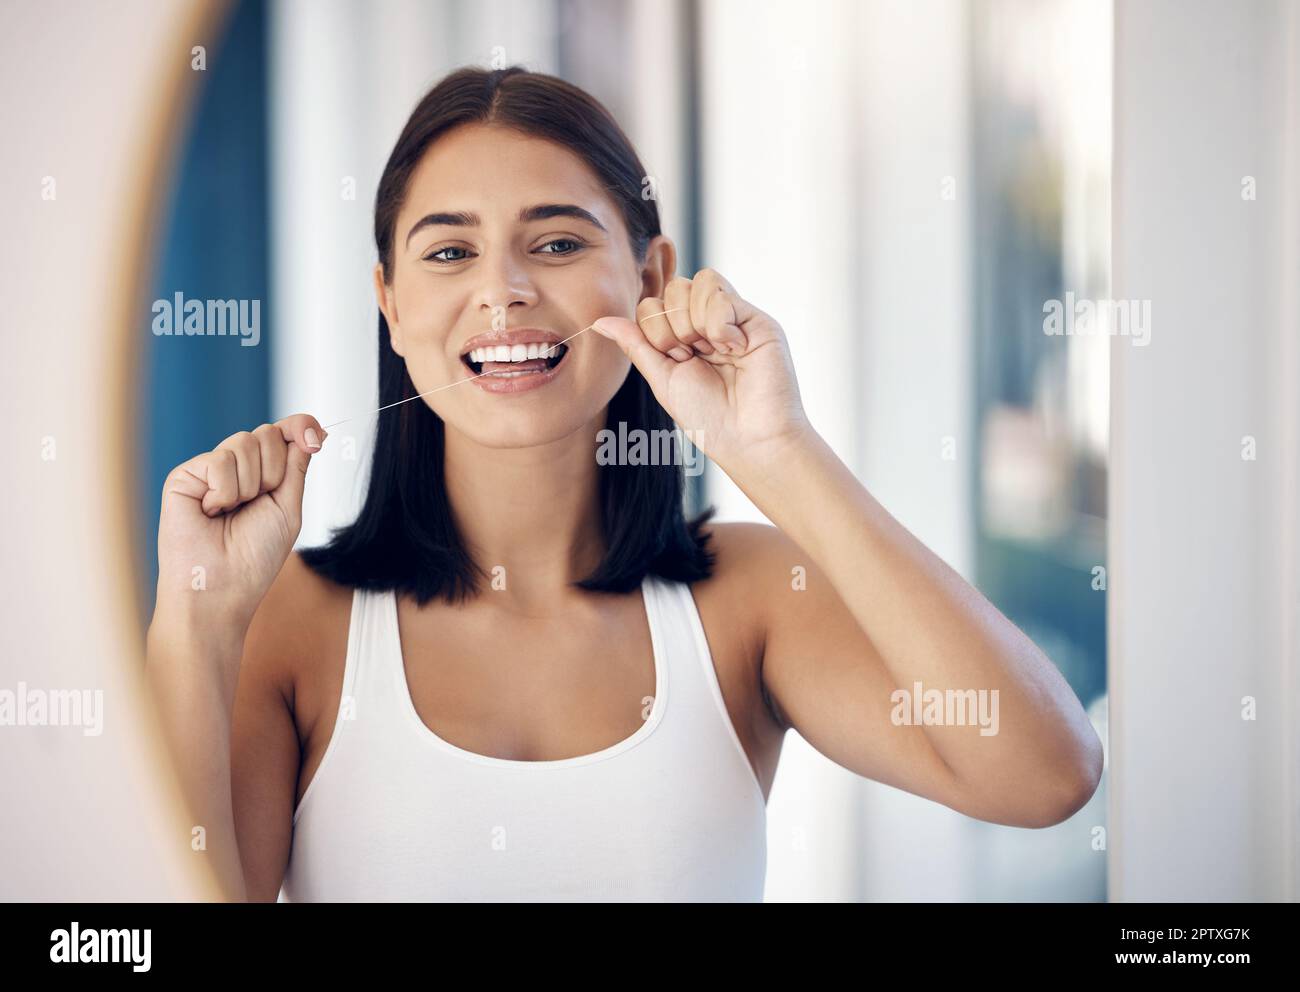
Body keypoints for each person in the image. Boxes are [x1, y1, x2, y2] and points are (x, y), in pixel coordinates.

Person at [144, 65, 1102, 902]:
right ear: (389, 303)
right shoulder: (289, 627)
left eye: (556, 243)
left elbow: (1044, 773)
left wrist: (776, 448)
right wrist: (195, 623)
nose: (503, 290)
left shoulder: (750, 600)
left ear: (651, 276)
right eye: (448, 252)